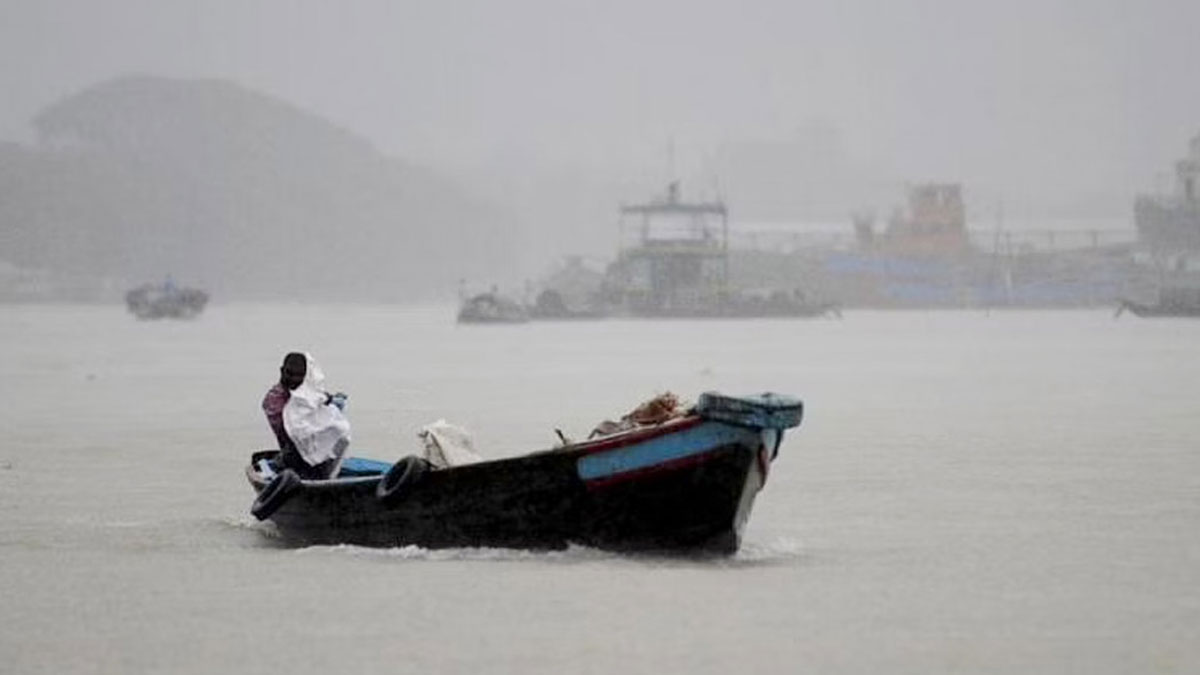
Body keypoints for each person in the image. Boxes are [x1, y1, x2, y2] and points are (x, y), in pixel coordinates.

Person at [262, 352, 350, 479]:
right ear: (282, 371)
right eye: (289, 373)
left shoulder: (308, 394)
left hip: (318, 458)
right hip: (292, 458)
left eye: (299, 375)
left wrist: (332, 403)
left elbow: (323, 401)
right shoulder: (274, 399)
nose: (293, 379)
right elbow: (288, 432)